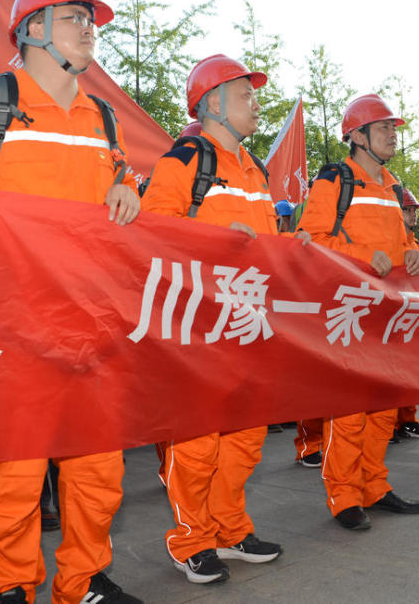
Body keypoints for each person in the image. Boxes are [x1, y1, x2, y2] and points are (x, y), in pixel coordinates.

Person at [0, 0, 142, 604]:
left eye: (89, 18)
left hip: (90, 316)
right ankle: (6, 587)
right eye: (74, 17)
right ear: (33, 29)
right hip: (13, 314)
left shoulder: (103, 118)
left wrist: (127, 193)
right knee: (14, 466)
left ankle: (83, 580)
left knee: (97, 463)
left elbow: (122, 187)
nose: (88, 28)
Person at [143, 54, 301, 584]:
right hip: (197, 325)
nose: (255, 104)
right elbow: (154, 231)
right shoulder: (185, 159)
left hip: (247, 323)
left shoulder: (253, 167)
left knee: (245, 437)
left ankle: (229, 529)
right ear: (211, 103)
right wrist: (213, 238)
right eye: (244, 95)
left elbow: (260, 245)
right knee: (196, 441)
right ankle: (191, 539)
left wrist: (291, 247)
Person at [297, 93, 419, 531]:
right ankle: (344, 495)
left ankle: (375, 485)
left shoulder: (392, 184)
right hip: (348, 310)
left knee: (382, 408)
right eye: (384, 127)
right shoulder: (335, 178)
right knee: (350, 410)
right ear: (356, 135)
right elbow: (309, 240)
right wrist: (364, 256)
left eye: (393, 127)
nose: (393, 134)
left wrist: (412, 254)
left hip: (388, 312)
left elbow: (403, 242)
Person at [394, 187, 419, 441]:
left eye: (414, 210)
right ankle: (392, 425)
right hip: (390, 312)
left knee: (408, 372)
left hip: (409, 313)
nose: (413, 215)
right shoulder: (392, 239)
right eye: (408, 210)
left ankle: (408, 419)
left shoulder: (414, 243)